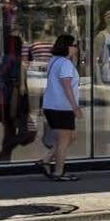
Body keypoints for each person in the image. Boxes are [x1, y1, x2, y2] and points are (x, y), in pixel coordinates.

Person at [40, 34, 81, 181]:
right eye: (74, 45)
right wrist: (75, 107)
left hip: (52, 106)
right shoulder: (65, 64)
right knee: (64, 141)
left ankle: (45, 160)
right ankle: (58, 172)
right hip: (62, 107)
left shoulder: (54, 61)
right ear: (68, 47)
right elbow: (67, 86)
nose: (76, 48)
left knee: (70, 136)